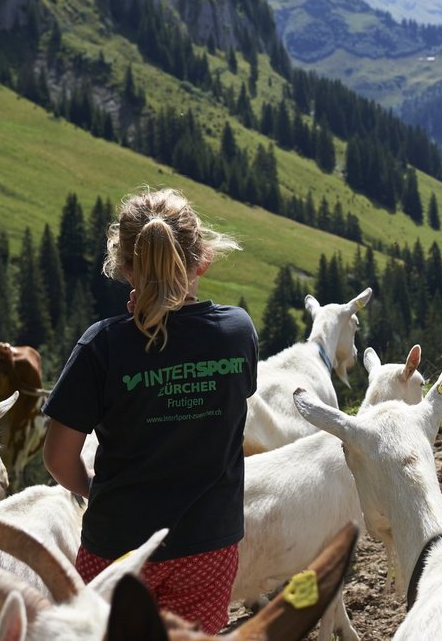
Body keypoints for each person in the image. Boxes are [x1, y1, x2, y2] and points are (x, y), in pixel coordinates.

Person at [42, 186, 258, 632]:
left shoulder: (102, 345)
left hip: (117, 547)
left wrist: (93, 491)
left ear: (123, 266)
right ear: (203, 259)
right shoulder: (237, 333)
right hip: (208, 543)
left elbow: (58, 457)